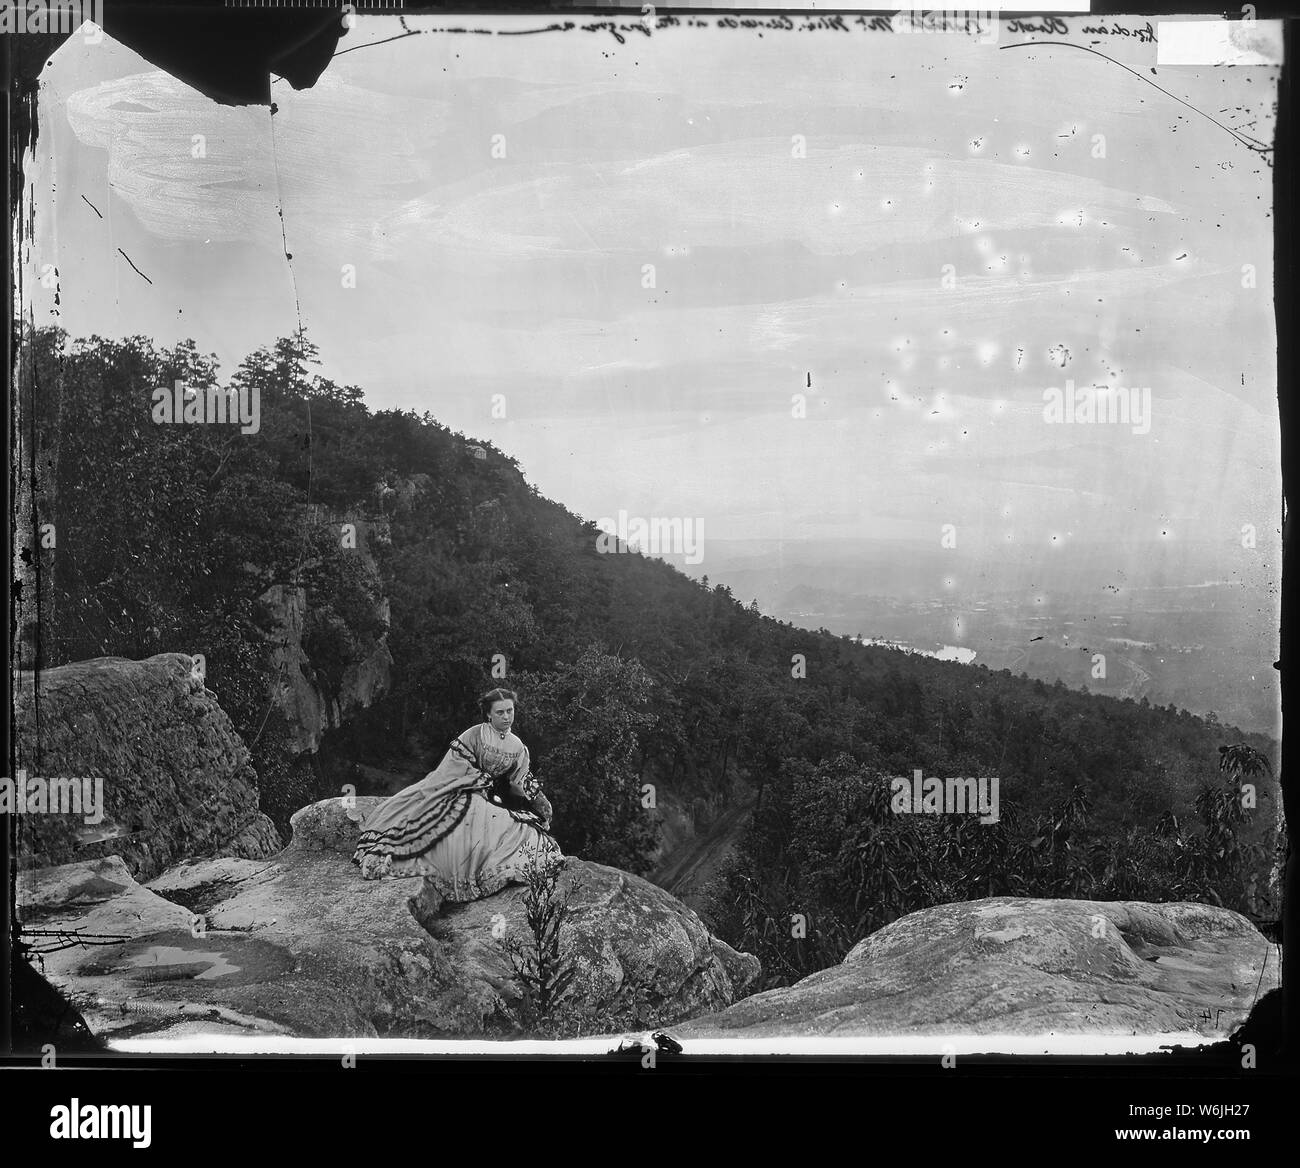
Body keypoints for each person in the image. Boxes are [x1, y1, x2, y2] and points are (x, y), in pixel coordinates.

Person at [351, 688, 561, 901]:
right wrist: (481, 782)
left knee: (524, 832)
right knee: (465, 825)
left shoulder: (517, 746)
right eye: (500, 712)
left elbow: (520, 778)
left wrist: (538, 798)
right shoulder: (474, 735)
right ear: (488, 714)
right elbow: (454, 765)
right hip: (461, 789)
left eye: (510, 711)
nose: (506, 717)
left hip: (492, 796)